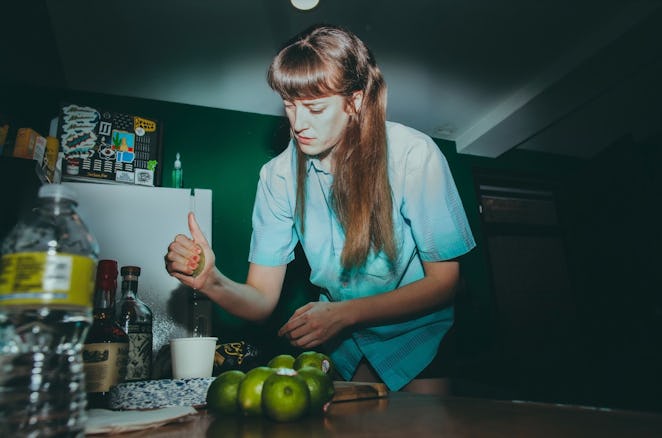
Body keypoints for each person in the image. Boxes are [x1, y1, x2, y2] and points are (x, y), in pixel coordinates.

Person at [164, 24, 476, 393]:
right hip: (342, 348)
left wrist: (345, 313)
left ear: (355, 101)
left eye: (314, 107)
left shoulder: (414, 155)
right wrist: (212, 281)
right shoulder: (277, 177)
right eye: (289, 105)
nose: (298, 123)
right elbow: (261, 299)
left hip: (419, 341)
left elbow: (444, 284)